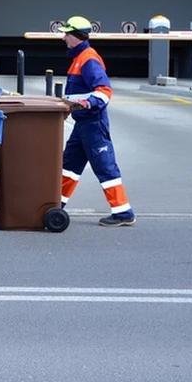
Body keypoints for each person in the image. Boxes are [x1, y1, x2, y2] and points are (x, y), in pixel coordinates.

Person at [56, 16, 135, 227]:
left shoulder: (88, 59)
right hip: (83, 124)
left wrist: (87, 103)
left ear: (76, 36)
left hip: (93, 123)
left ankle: (123, 212)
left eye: (67, 34)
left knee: (105, 166)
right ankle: (56, 205)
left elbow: (104, 91)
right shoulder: (80, 58)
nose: (64, 37)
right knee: (69, 166)